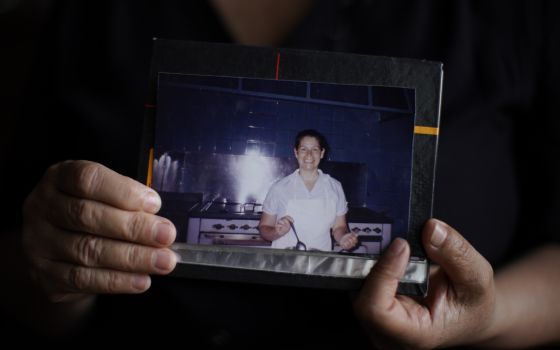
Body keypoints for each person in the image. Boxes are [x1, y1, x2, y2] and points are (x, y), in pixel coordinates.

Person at [2, 1, 560, 348]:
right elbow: (19, 274)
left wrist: (485, 318)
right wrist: (56, 273)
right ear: (294, 155)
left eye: (317, 150)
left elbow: (343, 229)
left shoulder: (508, 17)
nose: (311, 157)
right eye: (304, 150)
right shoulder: (91, 17)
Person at [258, 129, 359, 252]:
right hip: (284, 260)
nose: (309, 155)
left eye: (315, 149)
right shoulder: (279, 187)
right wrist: (276, 232)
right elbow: (264, 228)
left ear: (322, 153)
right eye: (303, 149)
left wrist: (343, 237)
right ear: (296, 152)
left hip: (320, 261)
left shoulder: (335, 187)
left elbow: (339, 227)